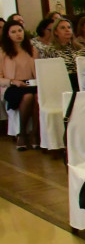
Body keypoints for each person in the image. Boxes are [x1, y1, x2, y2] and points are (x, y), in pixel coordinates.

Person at [0, 19, 39, 150]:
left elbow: (39, 70)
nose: (18, 34)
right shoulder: (2, 53)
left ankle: (35, 133)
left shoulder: (32, 50)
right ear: (7, 35)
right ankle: (22, 133)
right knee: (28, 97)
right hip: (13, 86)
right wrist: (12, 81)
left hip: (32, 84)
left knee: (37, 96)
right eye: (14, 32)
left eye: (20, 31)